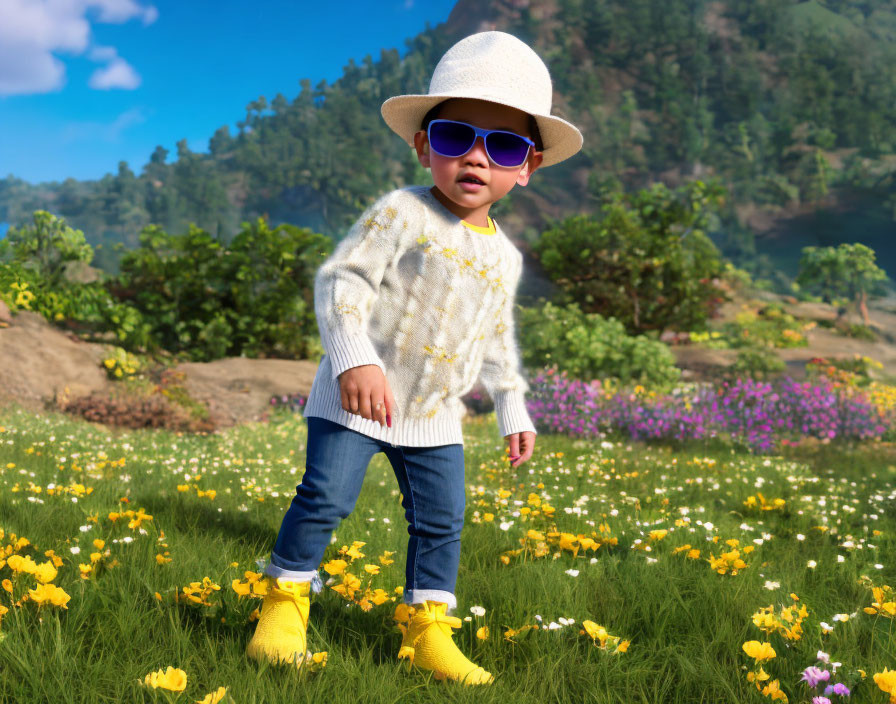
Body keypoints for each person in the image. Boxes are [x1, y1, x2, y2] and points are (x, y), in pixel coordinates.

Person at [247, 30, 583, 685]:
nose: (477, 160)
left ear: (527, 167)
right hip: (359, 398)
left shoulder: (504, 256)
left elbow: (494, 335)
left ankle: (428, 629)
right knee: (325, 498)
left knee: (441, 522)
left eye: (504, 146)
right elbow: (344, 279)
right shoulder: (402, 212)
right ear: (424, 146)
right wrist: (354, 359)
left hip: (435, 413)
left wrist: (512, 404)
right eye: (458, 137)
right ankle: (283, 608)